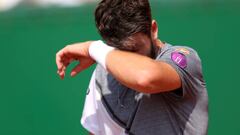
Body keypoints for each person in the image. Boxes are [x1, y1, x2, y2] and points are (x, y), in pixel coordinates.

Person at [55, 0, 208, 135]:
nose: (127, 58)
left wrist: (93, 48)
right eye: (118, 51)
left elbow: (145, 78)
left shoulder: (185, 59)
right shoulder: (101, 75)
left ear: (153, 30)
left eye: (134, 49)